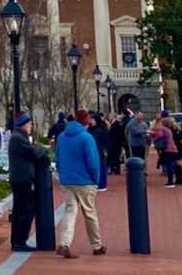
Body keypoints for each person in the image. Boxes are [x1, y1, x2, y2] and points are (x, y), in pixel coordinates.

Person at [54, 109, 106, 258]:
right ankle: (96, 245)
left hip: (67, 179)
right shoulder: (87, 138)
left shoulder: (62, 137)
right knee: (89, 212)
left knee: (70, 211)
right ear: (86, 123)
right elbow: (93, 161)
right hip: (85, 180)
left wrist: (61, 173)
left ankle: (65, 243)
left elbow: (58, 158)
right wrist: (95, 179)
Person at [7, 112, 49, 253]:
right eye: (29, 124)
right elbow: (34, 153)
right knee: (27, 210)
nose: (31, 126)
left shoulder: (18, 137)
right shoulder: (18, 138)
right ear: (23, 125)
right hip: (21, 179)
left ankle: (16, 241)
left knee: (19, 210)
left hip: (19, 178)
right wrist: (43, 149)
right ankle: (20, 241)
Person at [147, 115, 177, 188]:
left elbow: (159, 135)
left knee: (168, 165)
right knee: (170, 164)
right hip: (172, 148)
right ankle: (171, 180)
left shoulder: (162, 129)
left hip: (166, 149)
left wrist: (154, 139)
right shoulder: (169, 129)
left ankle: (170, 182)